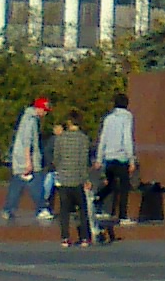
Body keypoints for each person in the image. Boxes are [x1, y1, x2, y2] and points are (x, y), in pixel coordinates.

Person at [6, 96, 52, 224]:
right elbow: (28, 141)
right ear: (39, 108)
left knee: (17, 184)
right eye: (45, 110)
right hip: (28, 159)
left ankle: (8, 209)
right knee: (37, 184)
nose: (45, 113)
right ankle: (41, 209)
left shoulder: (26, 117)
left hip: (20, 159)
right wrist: (28, 162)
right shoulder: (31, 120)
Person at [51, 118, 94, 247]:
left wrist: (60, 170)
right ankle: (84, 237)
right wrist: (86, 179)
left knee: (64, 210)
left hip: (64, 179)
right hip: (77, 179)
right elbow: (84, 161)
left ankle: (65, 237)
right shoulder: (83, 139)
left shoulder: (60, 139)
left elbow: (56, 158)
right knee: (82, 209)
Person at [96, 94, 137, 227]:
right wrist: (131, 159)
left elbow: (103, 138)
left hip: (108, 157)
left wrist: (99, 158)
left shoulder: (109, 118)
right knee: (124, 187)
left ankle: (96, 200)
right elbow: (127, 138)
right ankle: (123, 216)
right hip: (121, 157)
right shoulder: (127, 117)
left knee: (110, 184)